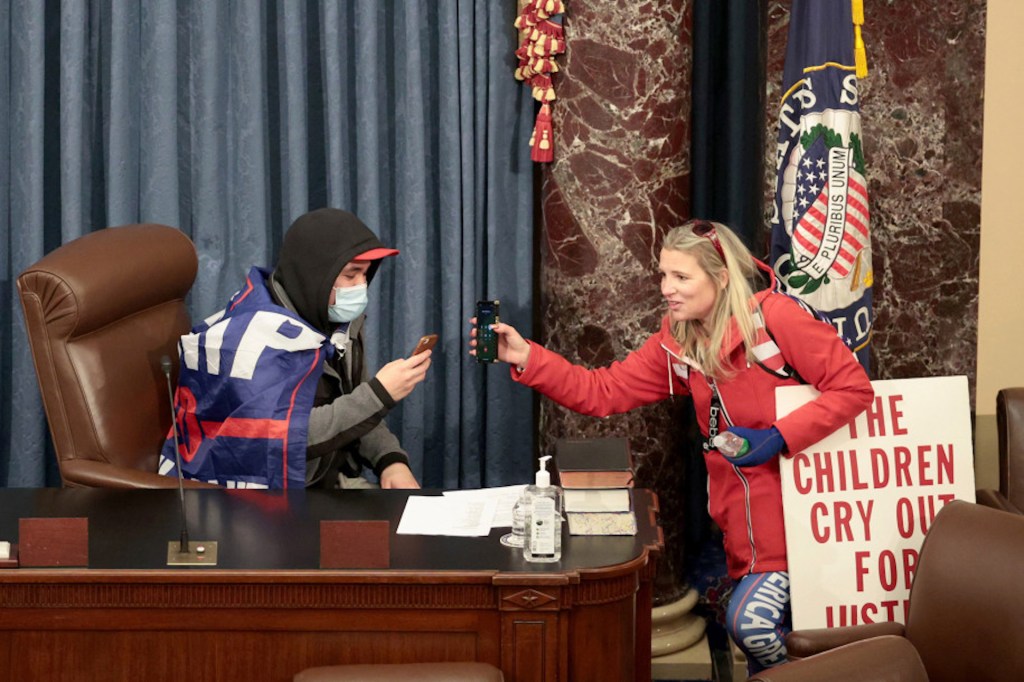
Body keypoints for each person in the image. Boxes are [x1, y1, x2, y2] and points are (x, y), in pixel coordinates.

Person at [468, 219, 873, 674]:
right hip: (742, 529)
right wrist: (530, 358)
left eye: (681, 277)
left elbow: (854, 389)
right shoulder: (679, 341)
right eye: (663, 275)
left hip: (802, 522)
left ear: (720, 277)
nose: (667, 288)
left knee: (751, 625)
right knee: (762, 657)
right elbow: (604, 391)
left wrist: (779, 437)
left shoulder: (776, 318)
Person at [160, 208, 429, 490]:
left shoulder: (337, 319)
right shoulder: (251, 339)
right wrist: (379, 394)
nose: (362, 286)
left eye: (366, 274)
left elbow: (354, 404)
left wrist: (390, 460)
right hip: (260, 495)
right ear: (317, 275)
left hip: (324, 478)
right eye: (352, 275)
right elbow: (284, 438)